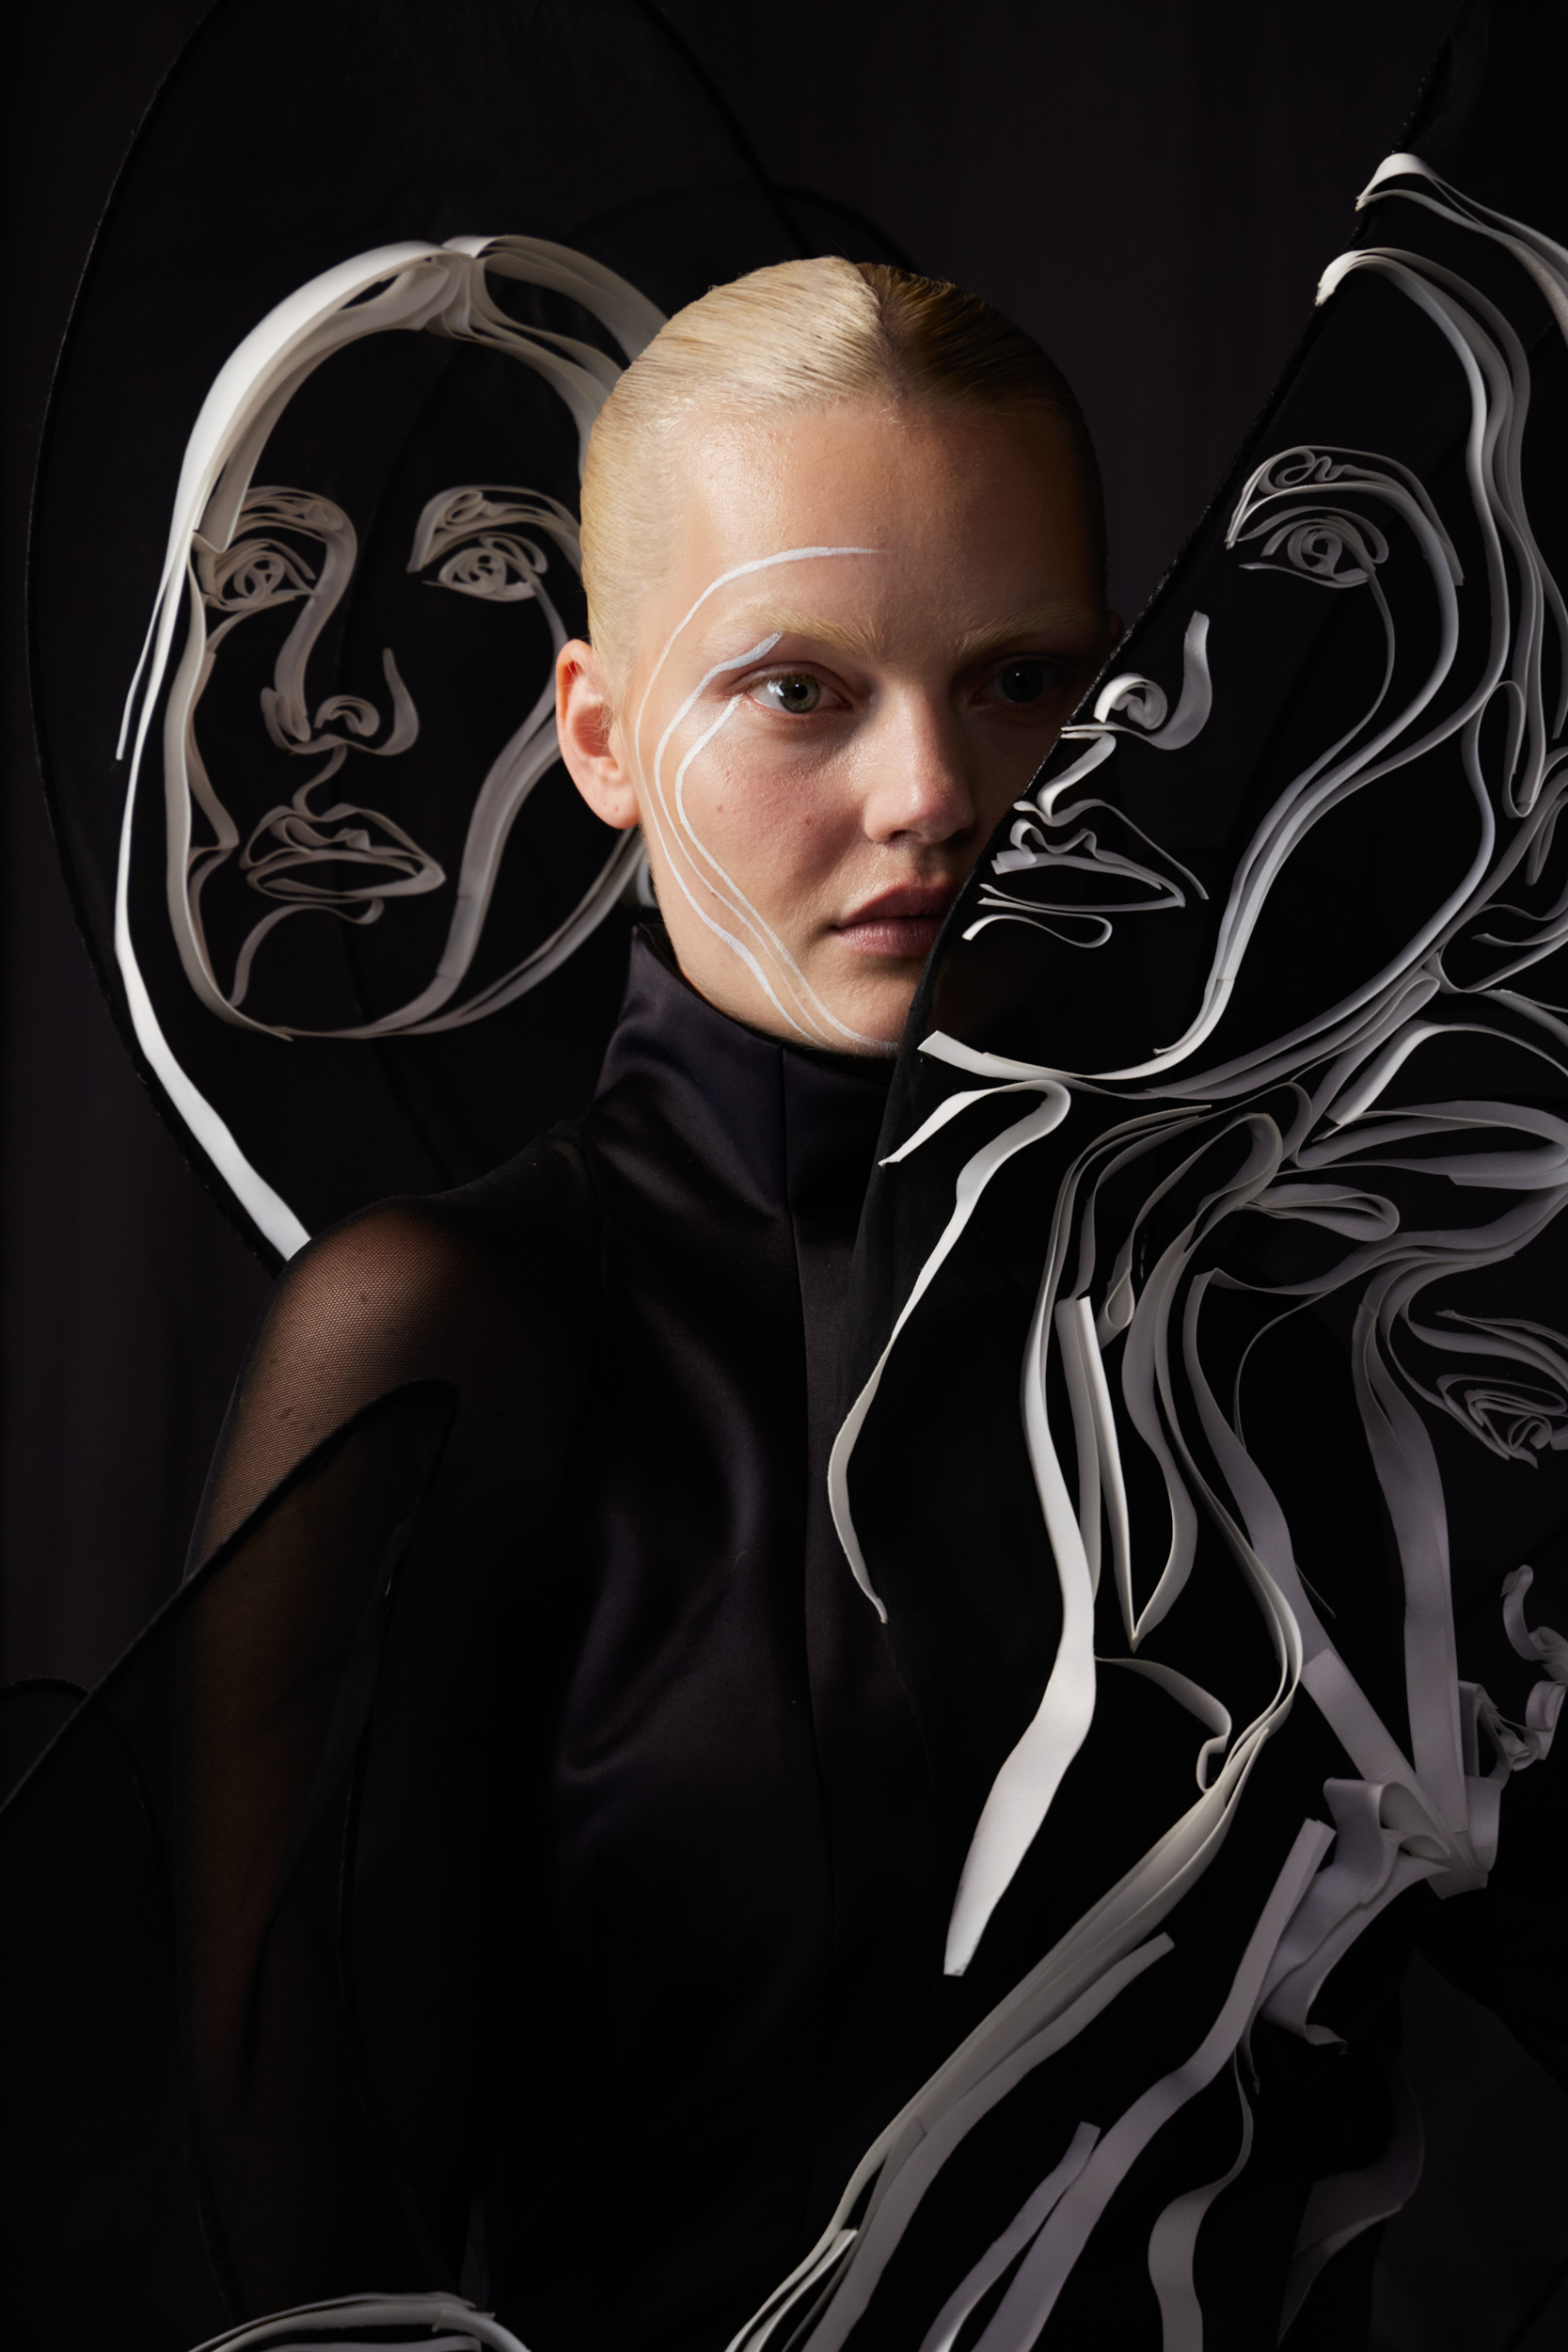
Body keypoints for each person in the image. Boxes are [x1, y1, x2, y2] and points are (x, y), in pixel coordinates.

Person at [173, 257, 1118, 2348]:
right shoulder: (459, 1340)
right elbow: (295, 2238)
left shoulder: (1269, 1312)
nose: (935, 794)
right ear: (599, 733)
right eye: (801, 690)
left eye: (1022, 678)